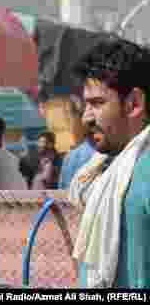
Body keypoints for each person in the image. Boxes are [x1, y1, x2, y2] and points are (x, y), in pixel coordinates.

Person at [68, 38, 150, 289]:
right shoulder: (103, 168)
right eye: (85, 105)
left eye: (97, 103)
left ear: (134, 104)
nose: (86, 117)